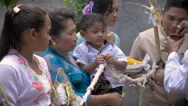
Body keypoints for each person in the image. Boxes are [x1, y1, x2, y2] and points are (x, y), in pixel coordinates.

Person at [42, 7, 123, 106]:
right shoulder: (50, 61)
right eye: (70, 33)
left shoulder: (72, 54)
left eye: (74, 31)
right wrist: (106, 99)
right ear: (54, 38)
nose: (75, 37)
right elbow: (69, 99)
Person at [130, 0, 188, 106]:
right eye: (171, 18)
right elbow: (130, 70)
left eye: (181, 20)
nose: (175, 25)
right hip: (151, 101)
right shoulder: (144, 39)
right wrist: (146, 77)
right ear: (162, 14)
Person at [0, 4, 52, 106]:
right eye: (48, 32)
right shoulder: (8, 68)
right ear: (33, 34)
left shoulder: (40, 61)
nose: (50, 38)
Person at [74, 13, 127, 95]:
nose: (100, 35)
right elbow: (84, 70)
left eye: (103, 31)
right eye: (95, 32)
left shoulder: (112, 47)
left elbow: (123, 66)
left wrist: (113, 62)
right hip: (93, 88)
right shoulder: (81, 49)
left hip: (114, 87)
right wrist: (95, 63)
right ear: (83, 34)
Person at [164, 21, 188, 104]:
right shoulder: (144, 37)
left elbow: (173, 84)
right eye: (170, 18)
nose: (175, 25)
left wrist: (172, 52)